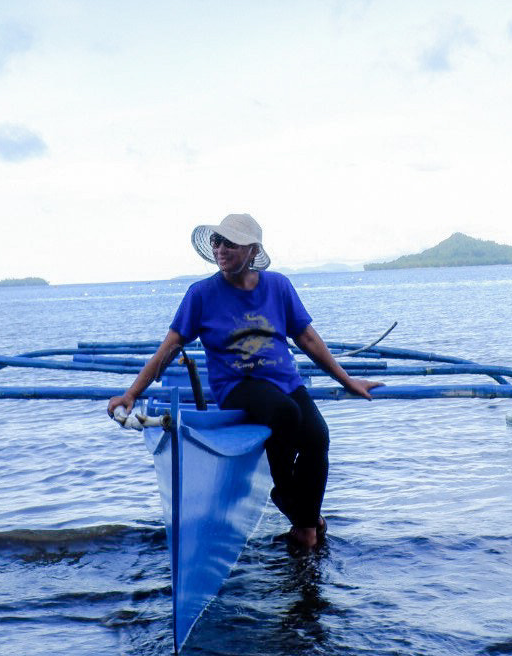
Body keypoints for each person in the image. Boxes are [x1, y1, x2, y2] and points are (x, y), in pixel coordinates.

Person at [107, 212, 373, 551]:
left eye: (230, 244)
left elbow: (306, 338)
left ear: (251, 251)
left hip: (285, 380)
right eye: (218, 242)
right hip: (238, 386)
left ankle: (306, 527)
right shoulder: (201, 294)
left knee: (318, 437)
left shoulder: (278, 286)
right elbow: (171, 346)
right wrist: (132, 393)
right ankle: (291, 503)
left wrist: (347, 380)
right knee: (285, 413)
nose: (220, 249)